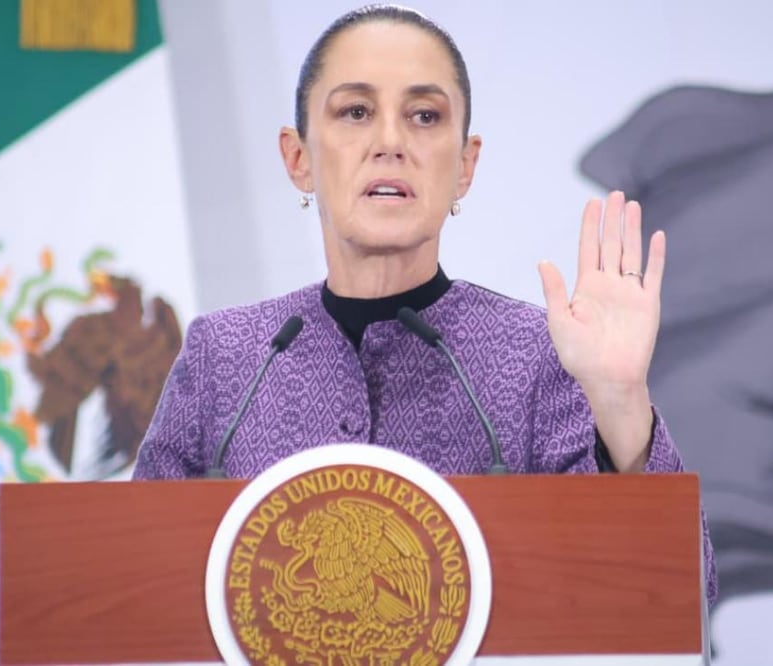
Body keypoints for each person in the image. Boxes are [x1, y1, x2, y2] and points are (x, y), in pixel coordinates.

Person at [131, 4, 717, 602]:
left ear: (464, 166)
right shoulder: (226, 358)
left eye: (424, 116)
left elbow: (677, 598)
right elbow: (131, 582)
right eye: (356, 111)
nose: (390, 142)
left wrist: (620, 402)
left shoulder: (545, 357)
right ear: (298, 158)